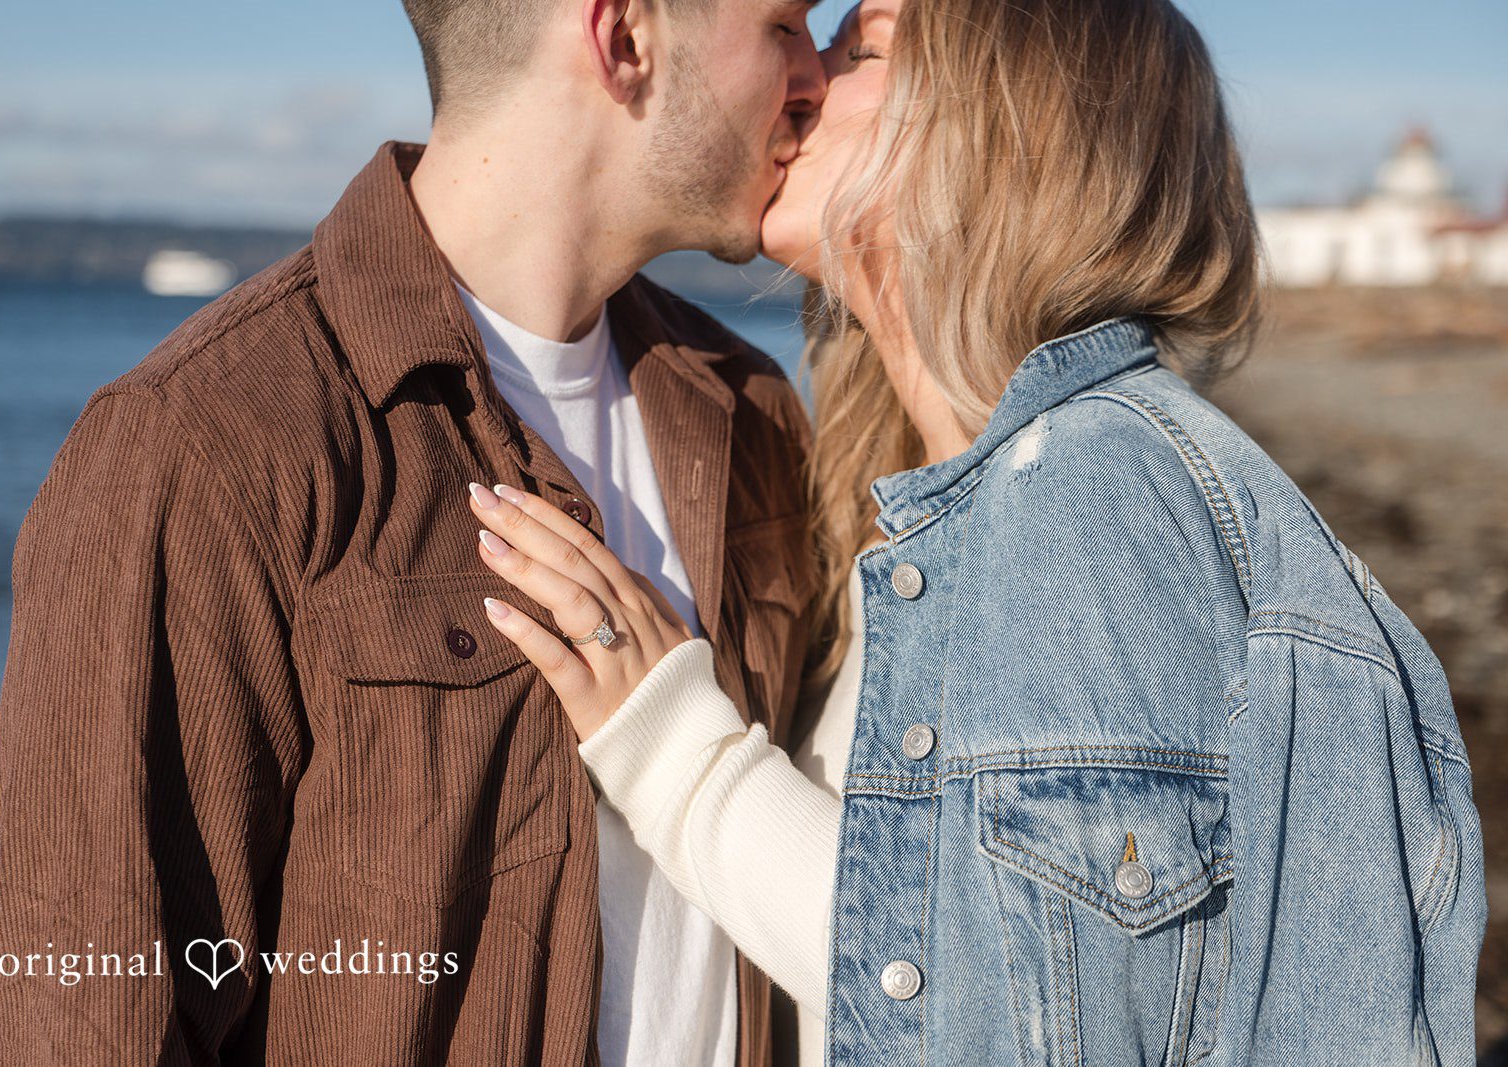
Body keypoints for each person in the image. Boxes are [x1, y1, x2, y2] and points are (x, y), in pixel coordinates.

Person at [467, 0, 1489, 1063]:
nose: (798, 80)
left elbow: (996, 1018)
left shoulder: (1086, 495)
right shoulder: (952, 495)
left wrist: (671, 742)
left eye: (858, 50)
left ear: (1006, 130)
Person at [0, 0, 826, 1062]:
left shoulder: (746, 406)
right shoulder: (210, 440)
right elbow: (95, 1015)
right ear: (624, 41)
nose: (813, 76)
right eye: (784, 23)